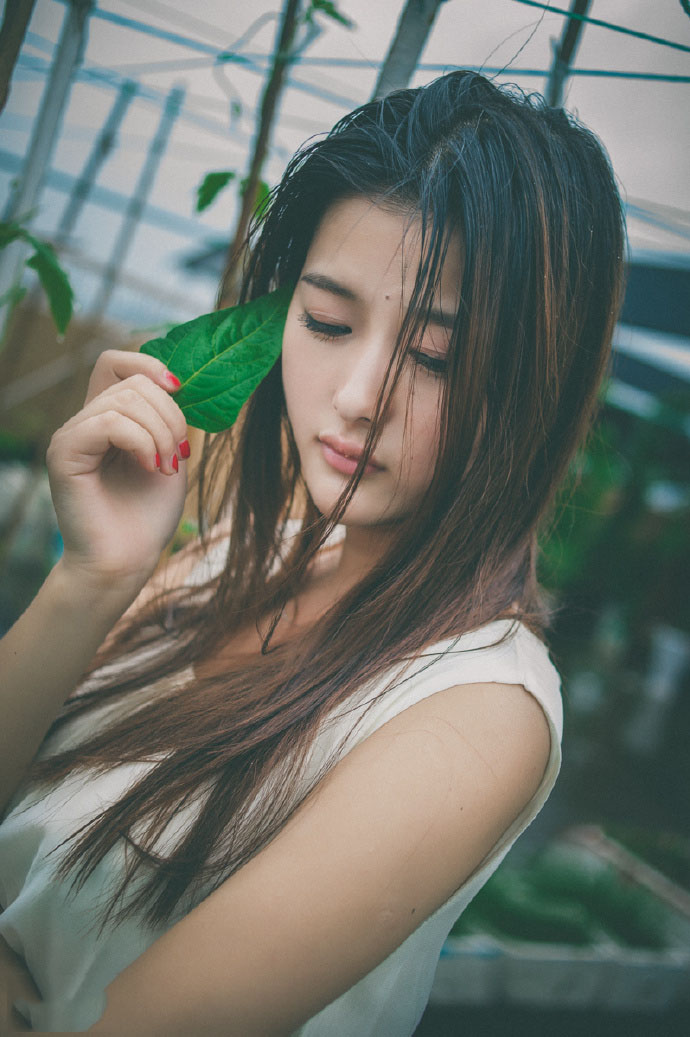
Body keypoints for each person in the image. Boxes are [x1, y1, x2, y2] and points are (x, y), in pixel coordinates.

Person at [0, 70, 625, 1034]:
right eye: (328, 321)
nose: (356, 393)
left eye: (436, 358)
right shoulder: (232, 563)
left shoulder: (477, 713)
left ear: (532, 389)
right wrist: (92, 580)